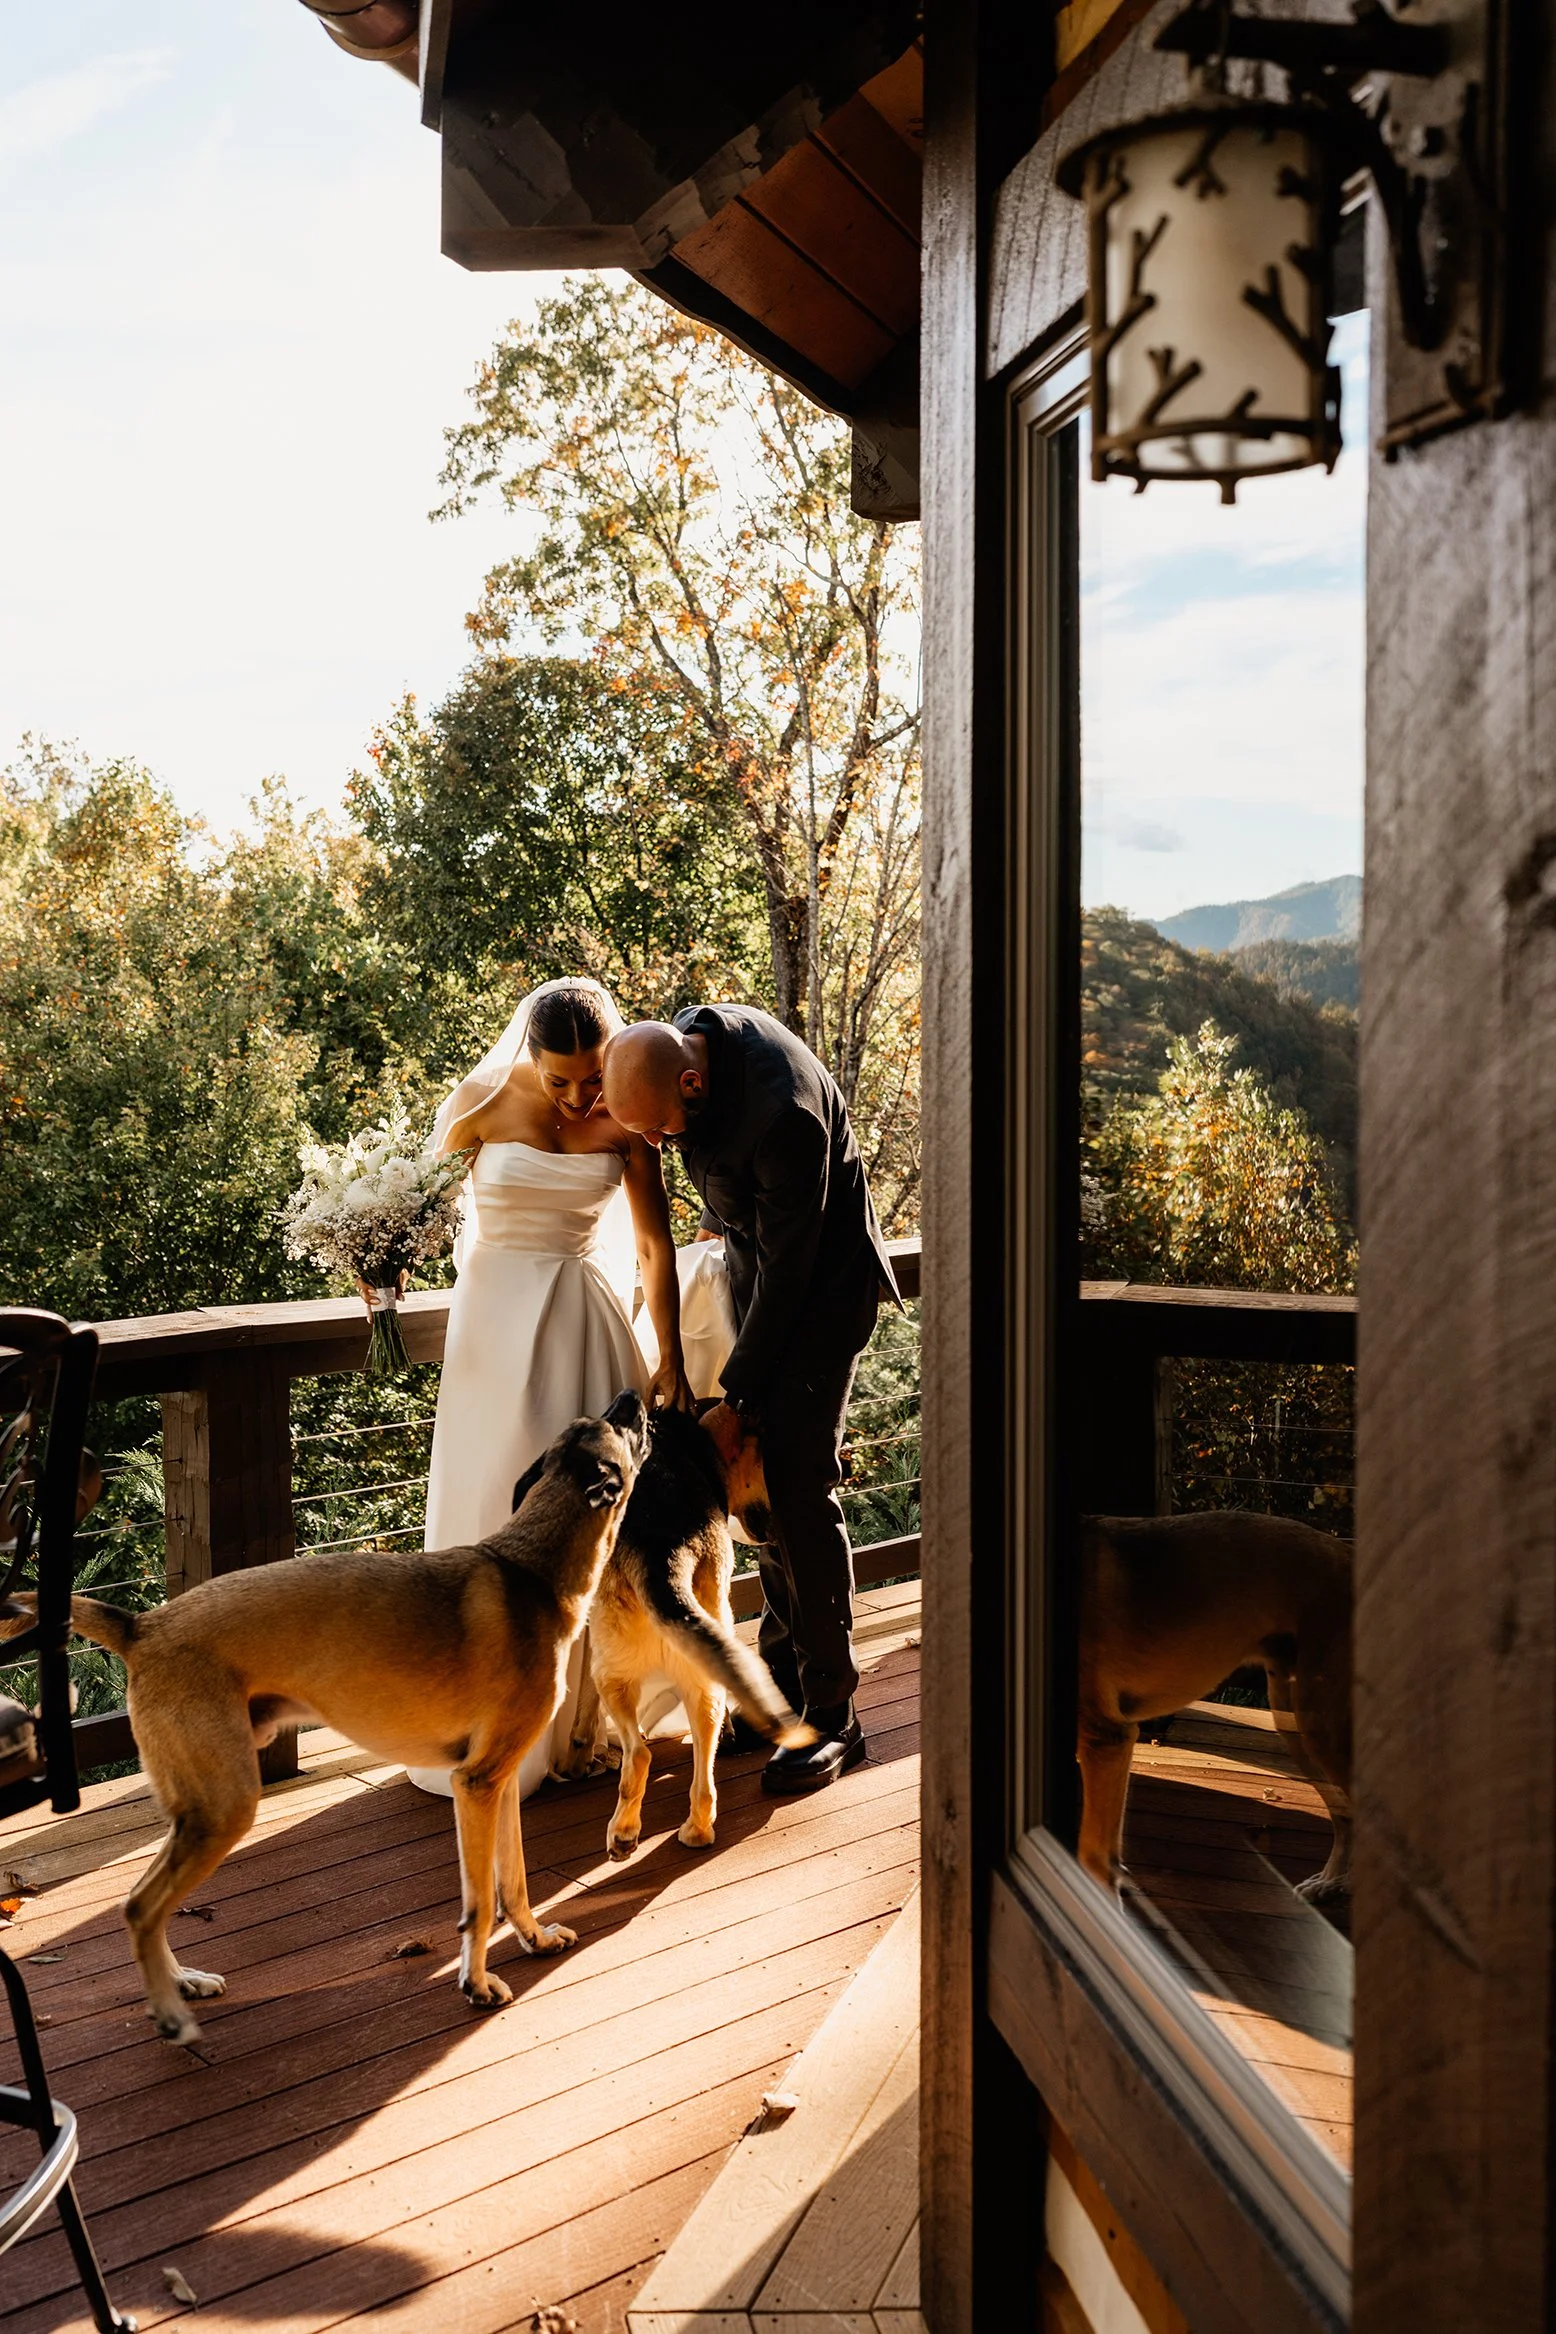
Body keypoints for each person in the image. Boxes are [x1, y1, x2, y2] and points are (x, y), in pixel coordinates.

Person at [602, 1006, 900, 1795]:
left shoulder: (785, 1116)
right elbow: (744, 1223)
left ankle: (836, 1718)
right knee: (755, 1503)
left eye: (665, 1131)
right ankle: (779, 1690)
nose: (665, 1146)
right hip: (757, 1286)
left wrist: (738, 1396)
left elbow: (792, 1273)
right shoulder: (692, 1046)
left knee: (798, 1497)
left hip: (819, 1302)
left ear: (692, 1082)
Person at [408, 978, 691, 1802]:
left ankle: (595, 1716)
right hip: (490, 1337)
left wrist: (668, 1354)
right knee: (494, 1504)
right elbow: (418, 1212)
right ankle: (479, 1718)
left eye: (592, 1079)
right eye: (559, 1080)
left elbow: (653, 1249)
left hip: (585, 1326)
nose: (577, 1098)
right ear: (528, 1058)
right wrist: (379, 1260)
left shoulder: (628, 1122)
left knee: (601, 1525)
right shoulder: (478, 1103)